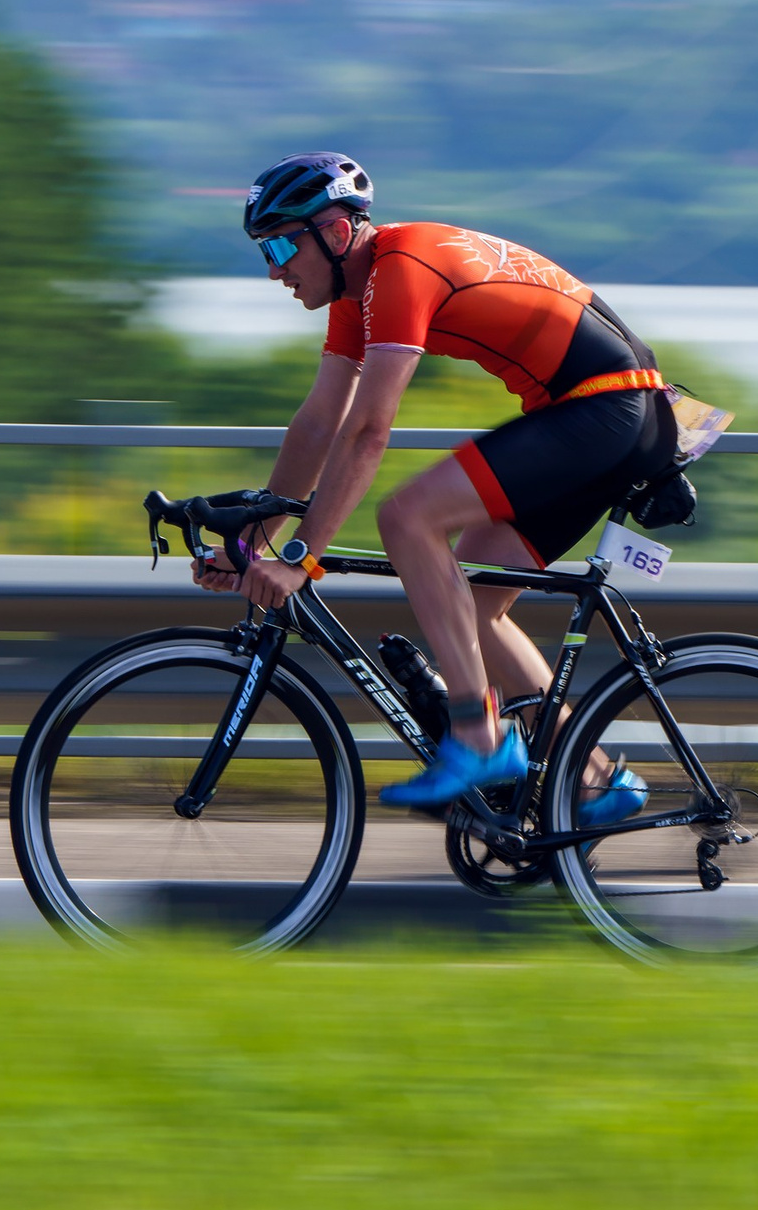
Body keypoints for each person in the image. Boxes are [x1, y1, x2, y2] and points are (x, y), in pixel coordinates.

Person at [193, 151, 672, 821]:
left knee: (409, 516)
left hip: (609, 406)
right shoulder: (354, 292)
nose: (273, 268)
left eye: (279, 244)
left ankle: (477, 735)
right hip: (601, 412)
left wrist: (302, 559)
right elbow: (318, 425)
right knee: (469, 605)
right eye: (263, 251)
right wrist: (252, 545)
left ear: (335, 233)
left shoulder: (401, 269)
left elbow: (367, 431)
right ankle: (594, 782)